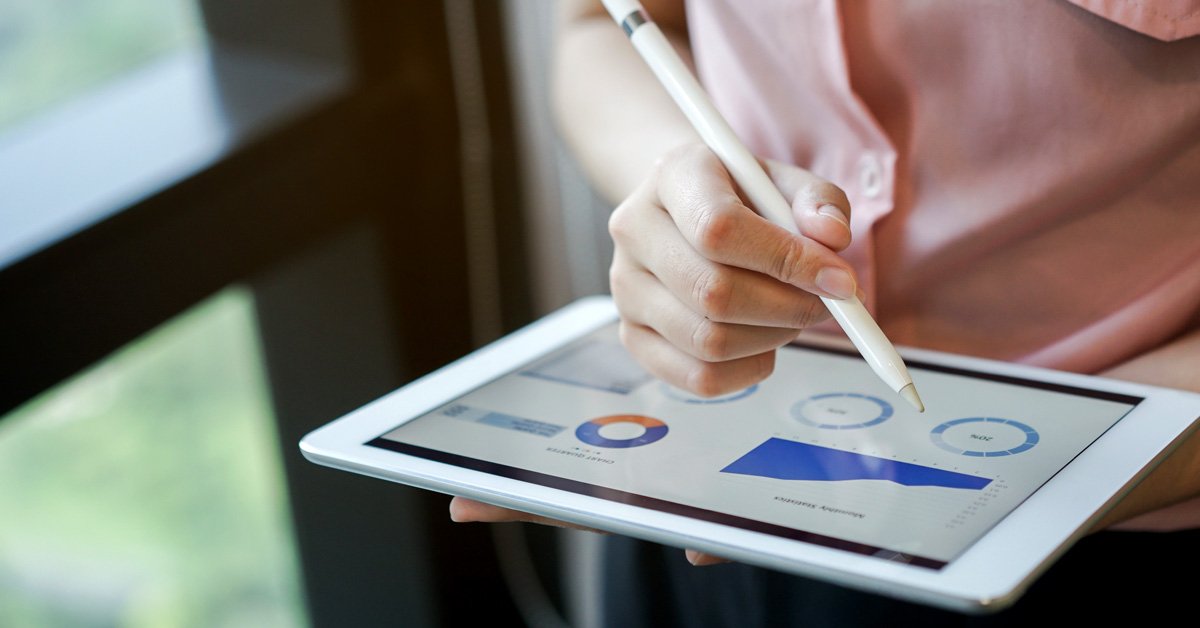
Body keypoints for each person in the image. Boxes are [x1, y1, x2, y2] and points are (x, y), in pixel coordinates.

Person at [451, 1, 1200, 624]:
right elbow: (602, 24)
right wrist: (687, 191)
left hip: (1106, 524)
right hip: (710, 478)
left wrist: (1062, 465)